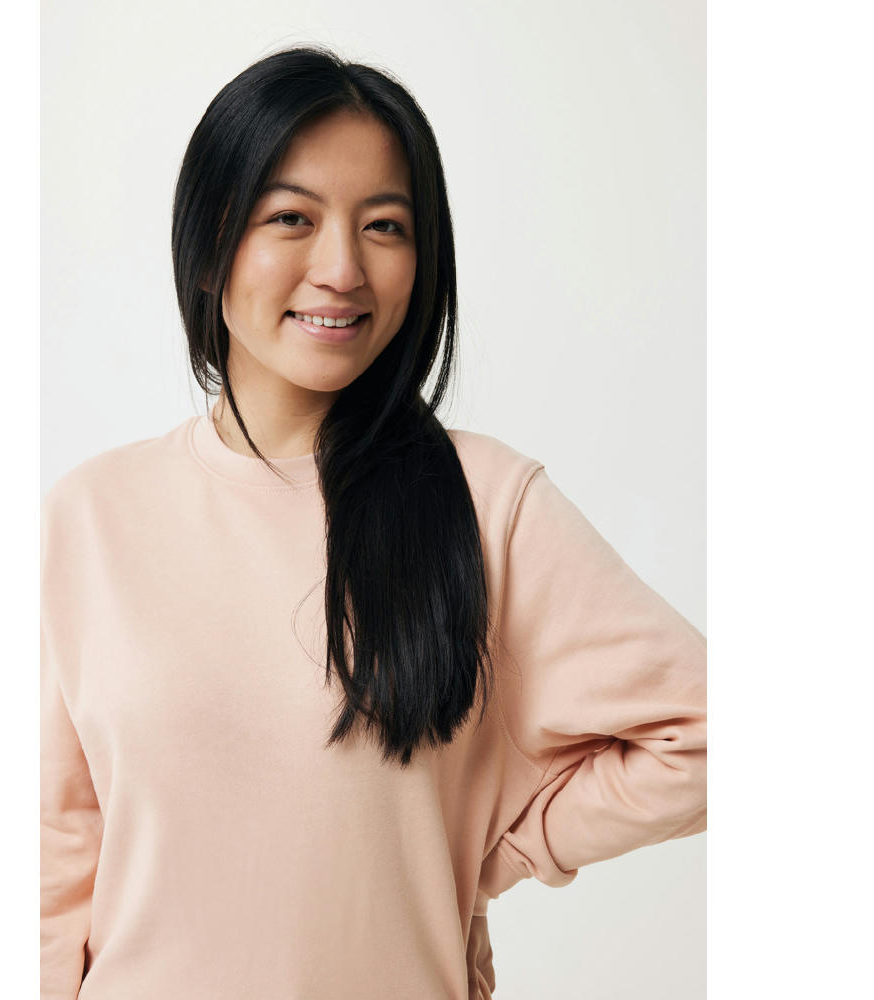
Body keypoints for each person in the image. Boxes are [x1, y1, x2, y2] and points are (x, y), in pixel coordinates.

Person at [40, 44, 707, 1000]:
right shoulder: (91, 516)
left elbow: (705, 730)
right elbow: (52, 850)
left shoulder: (486, 502)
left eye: (385, 226)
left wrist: (503, 844)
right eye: (292, 218)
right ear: (210, 243)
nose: (342, 268)